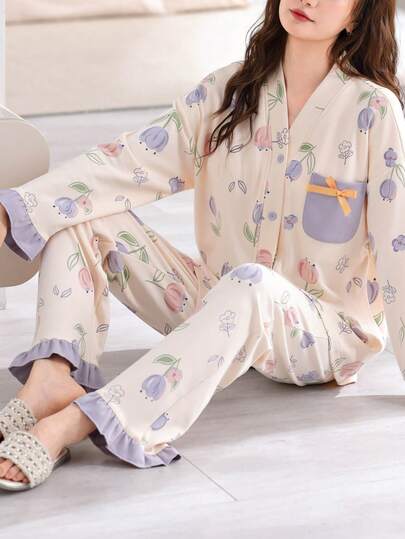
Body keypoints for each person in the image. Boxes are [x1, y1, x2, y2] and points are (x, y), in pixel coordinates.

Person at [0, 0, 403, 490]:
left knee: (253, 285)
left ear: (359, 14)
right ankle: (51, 378)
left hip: (320, 334)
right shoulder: (228, 91)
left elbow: (398, 247)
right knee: (83, 212)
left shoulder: (373, 111)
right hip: (217, 302)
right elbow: (129, 161)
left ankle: (81, 420)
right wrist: (11, 210)